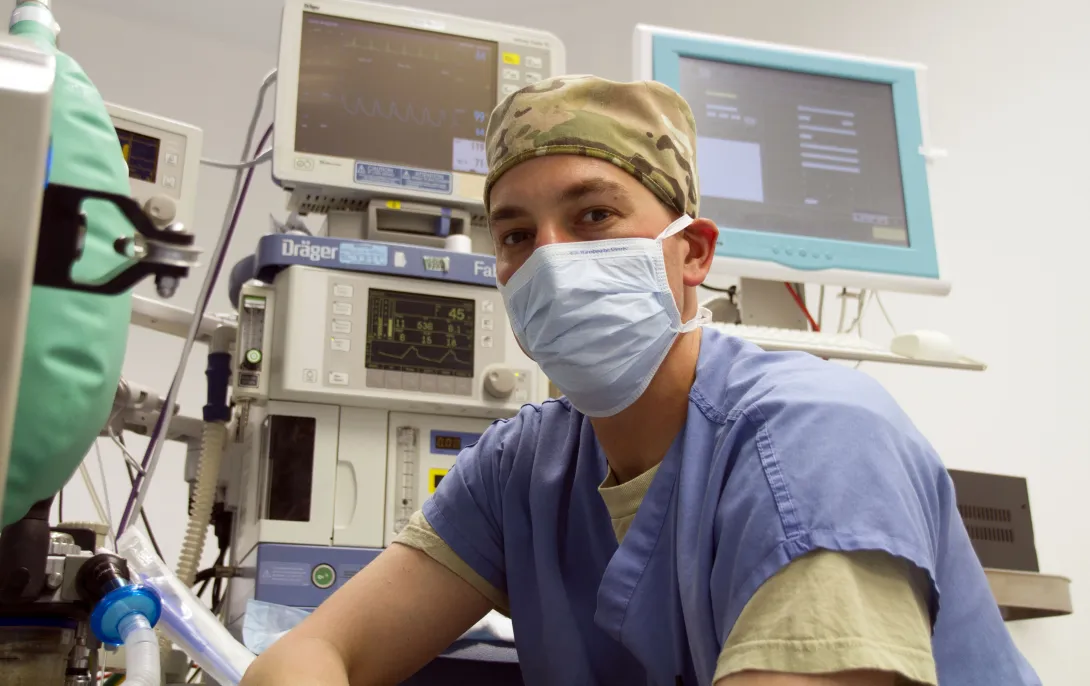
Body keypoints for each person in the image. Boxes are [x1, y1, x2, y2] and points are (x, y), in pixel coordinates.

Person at [241, 76, 1039, 686]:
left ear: (693, 254)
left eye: (593, 217)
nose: (550, 259)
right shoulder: (526, 467)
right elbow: (312, 649)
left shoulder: (816, 444)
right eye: (517, 234)